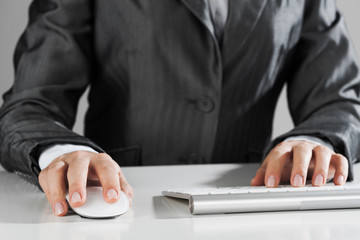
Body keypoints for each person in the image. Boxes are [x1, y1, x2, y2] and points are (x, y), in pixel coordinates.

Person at [0, 0, 359, 217]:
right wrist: (65, 153)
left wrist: (315, 141)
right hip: (122, 214)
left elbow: (340, 99)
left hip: (249, 213)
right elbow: (29, 104)